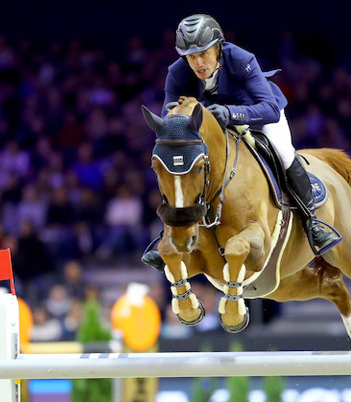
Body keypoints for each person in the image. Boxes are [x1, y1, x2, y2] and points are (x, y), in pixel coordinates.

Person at [142, 14, 340, 271]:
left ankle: (312, 222)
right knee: (179, 165)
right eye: (191, 57)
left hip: (257, 115)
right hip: (215, 127)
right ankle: (169, 230)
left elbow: (269, 108)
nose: (198, 62)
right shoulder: (177, 73)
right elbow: (174, 122)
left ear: (217, 48)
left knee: (283, 152)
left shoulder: (241, 60)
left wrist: (232, 113)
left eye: (204, 54)